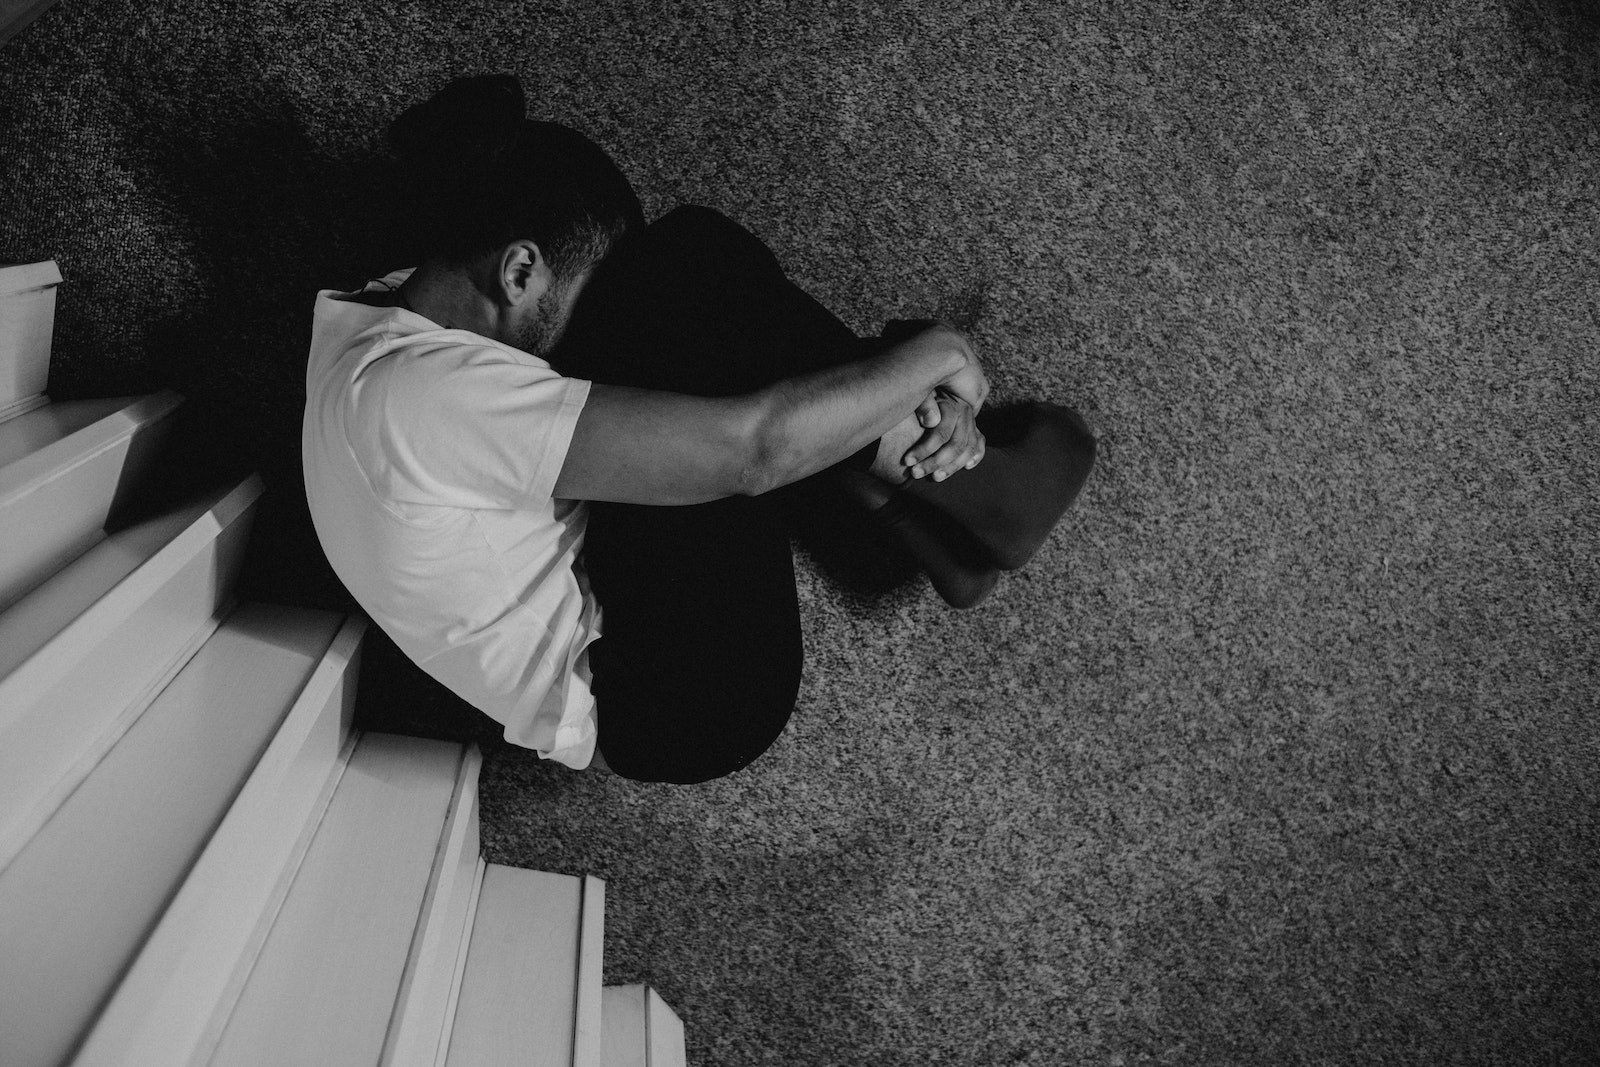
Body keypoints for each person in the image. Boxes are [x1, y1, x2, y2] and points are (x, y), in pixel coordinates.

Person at [302, 75, 1095, 784]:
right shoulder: (424, 399)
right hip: (686, 696)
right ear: (517, 270)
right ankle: (976, 493)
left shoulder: (388, 316)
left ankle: (937, 520)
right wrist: (941, 352)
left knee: (684, 304)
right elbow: (753, 451)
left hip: (630, 637)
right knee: (679, 269)